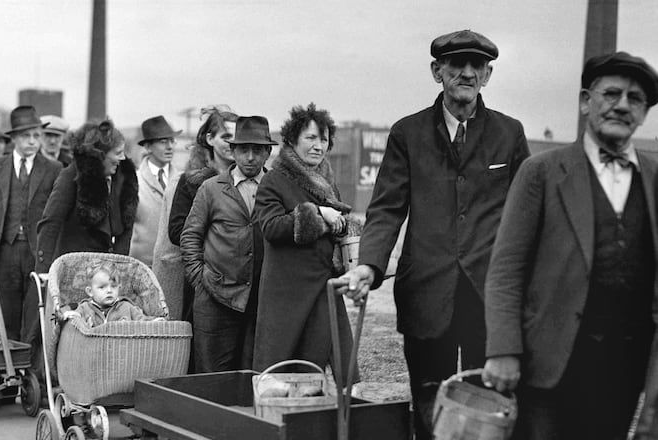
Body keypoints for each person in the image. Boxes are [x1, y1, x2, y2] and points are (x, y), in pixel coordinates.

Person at [337, 30, 530, 438]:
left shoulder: (509, 134)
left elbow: (526, 216)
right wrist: (368, 266)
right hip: (426, 296)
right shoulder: (407, 133)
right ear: (436, 71)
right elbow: (387, 208)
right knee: (428, 409)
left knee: (488, 408)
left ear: (488, 75)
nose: (466, 72)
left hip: (487, 301)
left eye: (476, 65)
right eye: (456, 64)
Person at [483, 52, 658, 440]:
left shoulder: (654, 177)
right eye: (611, 93)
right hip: (550, 364)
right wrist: (503, 349)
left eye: (635, 99)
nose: (622, 105)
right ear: (585, 101)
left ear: (644, 113)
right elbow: (505, 270)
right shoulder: (542, 172)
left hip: (625, 365)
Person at [252, 104, 358, 385]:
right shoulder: (274, 180)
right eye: (310, 138)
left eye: (323, 139)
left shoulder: (327, 183)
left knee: (317, 365)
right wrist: (318, 215)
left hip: (322, 285)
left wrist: (344, 226)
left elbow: (341, 224)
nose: (318, 146)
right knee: (278, 372)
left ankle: (316, 419)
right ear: (292, 140)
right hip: (287, 291)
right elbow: (272, 227)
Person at [0, 106, 61, 382]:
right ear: (15, 139)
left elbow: (60, 214)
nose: (33, 141)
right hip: (4, 253)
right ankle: (6, 382)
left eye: (37, 135)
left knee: (35, 319)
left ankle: (33, 383)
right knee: (4, 319)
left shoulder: (54, 169)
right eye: (26, 136)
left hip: (39, 255)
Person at [181, 115, 270, 372]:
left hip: (260, 300)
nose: (250, 157)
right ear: (233, 151)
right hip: (216, 299)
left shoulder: (276, 188)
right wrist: (201, 277)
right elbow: (190, 236)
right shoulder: (212, 188)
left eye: (257, 150)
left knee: (255, 375)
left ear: (267, 152)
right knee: (213, 376)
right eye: (243, 150)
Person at [155, 105, 237, 321]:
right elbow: (176, 230)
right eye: (226, 136)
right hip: (202, 278)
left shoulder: (245, 180)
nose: (232, 142)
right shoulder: (191, 181)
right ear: (210, 139)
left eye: (237, 137)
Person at [36, 119, 139, 273]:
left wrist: (118, 267)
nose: (122, 158)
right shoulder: (71, 175)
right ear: (100, 154)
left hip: (107, 275)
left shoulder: (124, 177)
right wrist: (44, 272)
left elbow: (126, 227)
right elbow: (50, 223)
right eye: (117, 153)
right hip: (73, 268)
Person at [129, 115, 181, 267]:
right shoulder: (134, 181)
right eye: (163, 141)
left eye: (172, 141)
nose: (170, 146)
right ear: (147, 147)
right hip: (140, 266)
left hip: (174, 267)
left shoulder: (182, 181)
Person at [62, 261, 164, 327]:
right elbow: (75, 318)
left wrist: (155, 322)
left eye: (113, 286)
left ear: (119, 287)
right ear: (90, 291)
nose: (109, 290)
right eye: (102, 287)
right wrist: (70, 315)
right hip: (93, 350)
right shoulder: (84, 308)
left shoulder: (127, 307)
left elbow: (142, 321)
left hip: (120, 352)